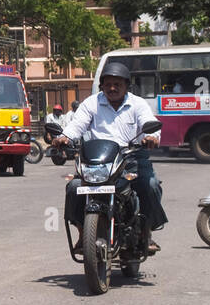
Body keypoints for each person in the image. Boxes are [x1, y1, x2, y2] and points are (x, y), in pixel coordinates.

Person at [55, 60, 166, 252]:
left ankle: (145, 233)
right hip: (97, 161)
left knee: (150, 185)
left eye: (117, 84)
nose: (112, 88)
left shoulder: (138, 104)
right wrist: (64, 137)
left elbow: (149, 122)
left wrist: (151, 137)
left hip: (131, 158)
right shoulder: (92, 103)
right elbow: (77, 125)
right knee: (73, 188)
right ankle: (83, 234)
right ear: (102, 86)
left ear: (127, 86)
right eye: (108, 84)